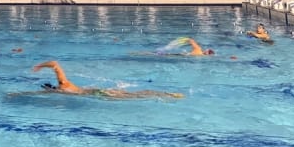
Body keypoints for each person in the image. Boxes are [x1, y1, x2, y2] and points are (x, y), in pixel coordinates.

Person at [18, 61, 184, 99]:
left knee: (134, 96)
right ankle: (166, 94)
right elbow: (35, 92)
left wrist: (40, 66)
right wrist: (18, 94)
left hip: (100, 93)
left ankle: (167, 94)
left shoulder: (63, 85)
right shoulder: (61, 90)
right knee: (134, 94)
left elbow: (54, 64)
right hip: (97, 93)